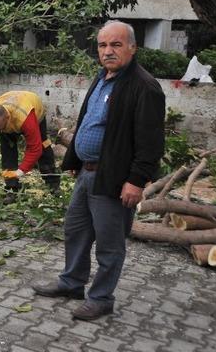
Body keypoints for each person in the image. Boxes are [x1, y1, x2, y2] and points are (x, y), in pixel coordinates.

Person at [32, 20, 164, 321]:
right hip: (88, 174)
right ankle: (72, 283)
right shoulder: (103, 78)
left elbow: (151, 142)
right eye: (103, 45)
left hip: (114, 179)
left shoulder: (144, 87)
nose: (108, 51)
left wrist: (136, 181)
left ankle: (102, 298)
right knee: (76, 231)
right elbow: (88, 121)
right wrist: (75, 162)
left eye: (116, 45)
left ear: (132, 47)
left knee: (109, 243)